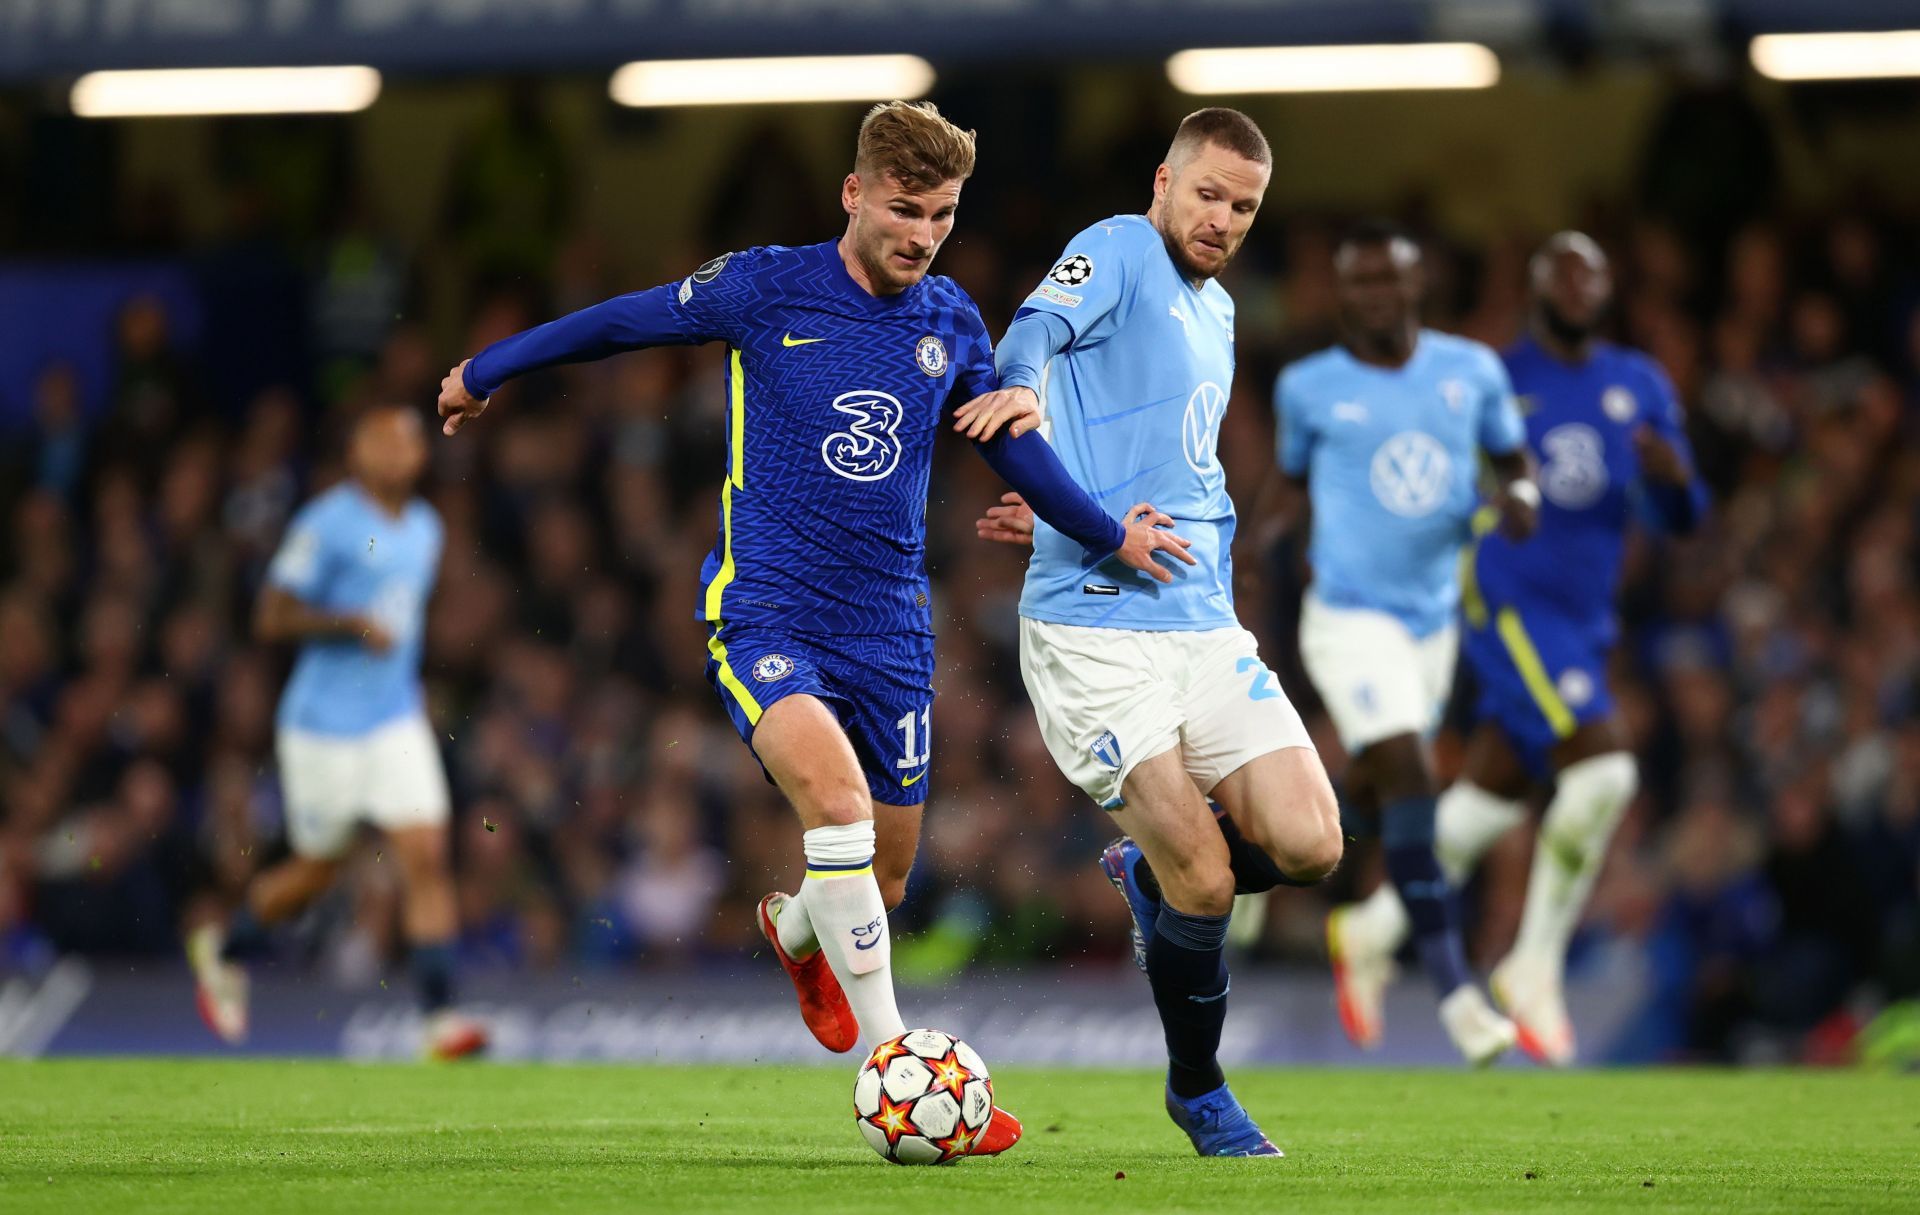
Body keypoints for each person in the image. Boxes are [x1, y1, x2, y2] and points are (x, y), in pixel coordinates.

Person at [435, 101, 1184, 1157]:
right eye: (906, 209)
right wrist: (487, 370)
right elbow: (618, 322)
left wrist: (1108, 534)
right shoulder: (764, 287)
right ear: (855, 193)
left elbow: (1008, 450)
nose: (922, 235)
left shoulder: (952, 322)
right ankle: (899, 1068)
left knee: (876, 877)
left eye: (943, 217)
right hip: (768, 611)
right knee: (836, 806)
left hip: (890, 632)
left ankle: (796, 929)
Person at [968, 108, 1343, 1157]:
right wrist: (1022, 403)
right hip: (1095, 630)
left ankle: (1144, 880)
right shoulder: (1121, 245)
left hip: (1200, 620)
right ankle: (1199, 1089)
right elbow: (1032, 335)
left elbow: (1150, 449)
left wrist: (1056, 499)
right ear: (1163, 181)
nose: (1222, 218)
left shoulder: (1215, 310)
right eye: (1209, 193)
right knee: (1213, 882)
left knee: (1312, 844)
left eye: (1244, 206)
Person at [1328, 232, 1707, 1065]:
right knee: (1605, 768)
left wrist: (1674, 476)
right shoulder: (1495, 381)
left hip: (1582, 617)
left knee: (1491, 797)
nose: (1579, 287)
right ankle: (1533, 965)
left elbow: (1687, 517)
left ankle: (1371, 926)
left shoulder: (1637, 384)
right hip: (1507, 600)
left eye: (1593, 274)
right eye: (1562, 273)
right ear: (1538, 289)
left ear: (1608, 290)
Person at [1278, 221, 1539, 1065]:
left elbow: (1512, 461)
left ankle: (1253, 849)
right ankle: (1454, 987)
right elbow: (1282, 491)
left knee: (1386, 787)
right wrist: (1245, 556)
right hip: (1347, 616)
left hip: (1433, 624)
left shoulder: (1472, 371)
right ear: (1342, 294)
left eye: (1388, 282)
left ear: (1416, 284)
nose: (1374, 299)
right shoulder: (1309, 387)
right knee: (1415, 771)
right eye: (1358, 285)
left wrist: (1522, 495)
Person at [187, 404, 488, 1061]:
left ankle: (439, 1017)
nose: (403, 450)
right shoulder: (325, 524)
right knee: (318, 869)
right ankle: (226, 948)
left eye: (410, 439)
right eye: (387, 438)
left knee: (426, 854)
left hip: (394, 720)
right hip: (321, 727)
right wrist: (347, 623)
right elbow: (268, 617)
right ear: (359, 452)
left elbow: (404, 623)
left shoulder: (426, 528)